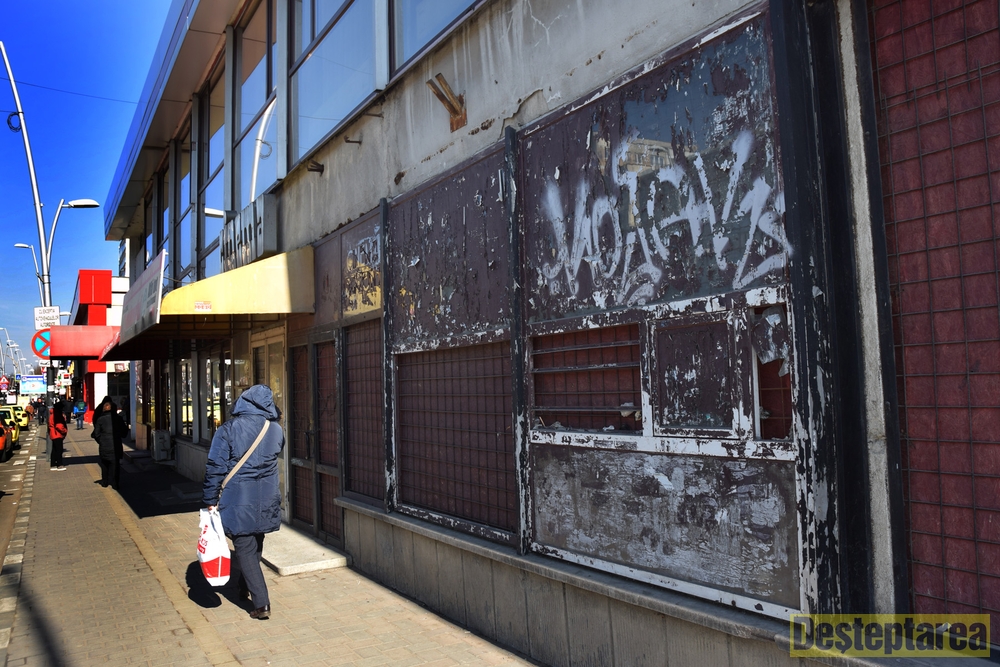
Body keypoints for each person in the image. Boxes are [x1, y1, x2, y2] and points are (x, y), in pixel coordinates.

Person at [202, 384, 284, 621]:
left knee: (246, 549)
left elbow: (215, 467)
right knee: (254, 544)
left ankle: (261, 604)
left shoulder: (228, 429)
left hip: (239, 498)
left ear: (243, 402)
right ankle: (243, 585)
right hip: (267, 497)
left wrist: (209, 498)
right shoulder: (275, 429)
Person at [91, 396, 127, 489]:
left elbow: (96, 434)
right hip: (116, 445)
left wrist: (101, 441)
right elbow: (124, 433)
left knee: (104, 464)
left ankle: (105, 481)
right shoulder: (118, 419)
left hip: (104, 445)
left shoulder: (100, 419)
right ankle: (115, 483)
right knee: (115, 465)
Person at [48, 399, 68, 470]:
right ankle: (60, 464)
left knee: (54, 450)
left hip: (53, 433)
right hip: (57, 434)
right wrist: (64, 431)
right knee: (59, 450)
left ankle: (53, 464)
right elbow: (59, 425)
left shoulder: (53, 414)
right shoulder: (57, 414)